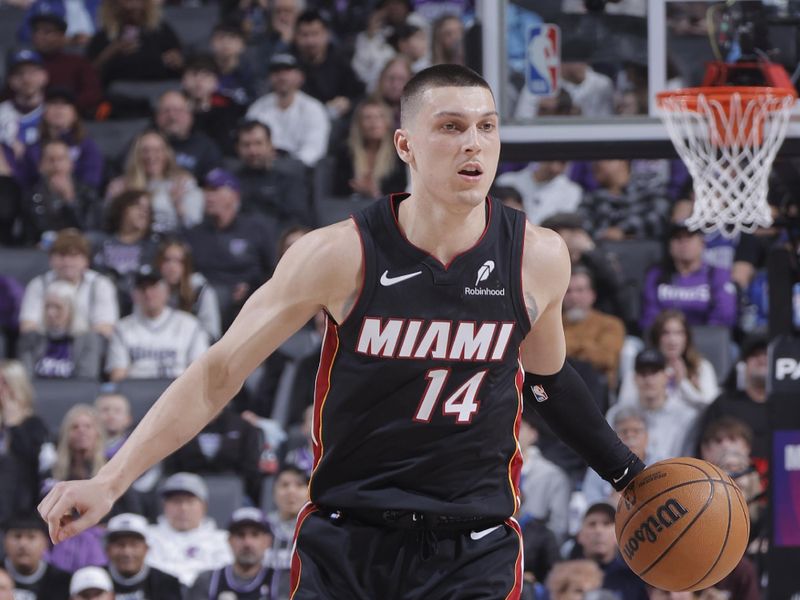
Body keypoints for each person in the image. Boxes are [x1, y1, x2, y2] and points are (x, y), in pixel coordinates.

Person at [39, 65, 645, 600]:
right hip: (349, 541)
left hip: (474, 547)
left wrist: (630, 476)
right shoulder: (339, 253)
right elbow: (218, 373)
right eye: (452, 127)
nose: (474, 144)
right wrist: (110, 479)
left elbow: (547, 382)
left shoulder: (537, 256)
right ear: (404, 144)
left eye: (487, 127)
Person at [183, 169, 275, 325]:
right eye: (205, 190)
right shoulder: (194, 234)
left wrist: (252, 288)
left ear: (234, 195)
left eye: (215, 190)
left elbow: (272, 270)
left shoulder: (256, 229)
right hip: (207, 304)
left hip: (250, 304)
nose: (208, 196)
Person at [105, 266, 209, 381]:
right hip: (136, 392)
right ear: (134, 295)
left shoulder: (189, 325)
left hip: (178, 391)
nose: (148, 294)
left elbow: (199, 373)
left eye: (153, 287)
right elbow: (118, 377)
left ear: (166, 291)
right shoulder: (122, 328)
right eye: (142, 288)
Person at [20, 229, 119, 338]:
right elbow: (27, 326)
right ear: (51, 259)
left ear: (86, 260)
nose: (67, 262)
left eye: (73, 256)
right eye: (61, 256)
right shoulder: (38, 284)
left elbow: (105, 328)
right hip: (46, 345)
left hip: (85, 348)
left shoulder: (101, 284)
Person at [640, 222, 737, 331]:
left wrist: (699, 338)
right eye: (678, 238)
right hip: (666, 339)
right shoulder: (657, 274)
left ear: (702, 243)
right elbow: (650, 314)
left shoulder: (717, 274)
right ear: (670, 246)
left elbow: (724, 314)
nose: (683, 243)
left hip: (708, 339)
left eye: (689, 237)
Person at [698, 334, 770, 479]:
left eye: (767, 355)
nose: (762, 359)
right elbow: (704, 447)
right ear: (744, 363)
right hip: (730, 482)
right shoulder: (723, 404)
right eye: (755, 355)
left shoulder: (790, 407)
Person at [607, 349, 697, 463]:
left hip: (675, 477)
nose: (649, 380)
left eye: (654, 372)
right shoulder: (616, 413)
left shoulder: (686, 416)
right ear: (634, 378)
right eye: (643, 374)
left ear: (666, 376)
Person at [105, 131, 204, 234]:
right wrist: (117, 203)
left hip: (173, 242)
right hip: (137, 243)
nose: (151, 156)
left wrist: (178, 206)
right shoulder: (122, 185)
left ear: (167, 154)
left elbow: (195, 226)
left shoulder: (182, 182)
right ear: (136, 155)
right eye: (145, 151)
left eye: (157, 150)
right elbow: (109, 224)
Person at [618, 309, 719, 410]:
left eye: (678, 333)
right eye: (665, 333)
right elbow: (624, 406)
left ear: (686, 338)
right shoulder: (641, 367)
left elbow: (711, 407)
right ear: (657, 337)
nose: (672, 340)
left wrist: (683, 383)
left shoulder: (701, 366)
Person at [145, 472, 233, 587]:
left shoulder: (223, 540)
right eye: (176, 501)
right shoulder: (147, 537)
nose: (183, 508)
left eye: (190, 501)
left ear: (204, 506)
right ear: (164, 506)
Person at [164, 405, 263, 505]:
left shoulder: (243, 427)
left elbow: (251, 468)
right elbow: (170, 468)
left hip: (234, 493)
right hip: (187, 493)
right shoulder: (179, 427)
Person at [245, 53, 331, 167]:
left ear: (300, 77)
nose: (282, 77)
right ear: (270, 78)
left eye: (287, 71)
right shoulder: (258, 108)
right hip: (264, 168)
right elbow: (248, 141)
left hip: (300, 170)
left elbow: (315, 149)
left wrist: (289, 165)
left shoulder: (313, 108)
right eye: (276, 72)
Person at [91, 189, 161, 315]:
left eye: (147, 208)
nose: (143, 211)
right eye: (137, 205)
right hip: (102, 305)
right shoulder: (98, 243)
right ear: (122, 208)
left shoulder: (155, 247)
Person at [20, 88, 104, 191]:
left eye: (65, 104)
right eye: (53, 103)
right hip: (40, 199)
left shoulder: (87, 145)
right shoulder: (33, 148)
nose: (59, 108)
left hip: (79, 200)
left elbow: (92, 181)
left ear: (74, 113)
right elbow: (25, 182)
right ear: (44, 113)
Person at [17, 280, 104, 379]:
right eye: (47, 307)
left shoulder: (88, 339)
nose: (51, 313)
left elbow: (86, 379)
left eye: (57, 307)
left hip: (74, 393)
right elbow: (26, 378)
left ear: (72, 310)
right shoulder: (31, 337)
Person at [21, 139, 101, 245]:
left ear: (71, 164)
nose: (56, 165)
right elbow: (27, 237)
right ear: (41, 166)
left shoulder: (87, 193)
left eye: (61, 159)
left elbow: (89, 231)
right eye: (50, 160)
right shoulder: (30, 197)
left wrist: (70, 199)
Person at [234, 120, 312, 229]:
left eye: (258, 143)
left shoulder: (289, 181)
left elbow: (297, 222)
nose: (253, 151)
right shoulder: (230, 182)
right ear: (237, 148)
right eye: (246, 145)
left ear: (271, 146)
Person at [87, 0, 183, 88]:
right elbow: (89, 74)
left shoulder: (162, 30)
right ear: (114, 4)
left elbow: (181, 65)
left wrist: (177, 61)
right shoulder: (103, 37)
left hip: (159, 89)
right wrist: (111, 52)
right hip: (118, 94)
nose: (133, 4)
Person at [0, 360, 52, 521]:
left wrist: (12, 425)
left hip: (19, 505)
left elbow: (30, 464)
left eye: (4, 383)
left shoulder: (33, 425)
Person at [293, 9, 365, 120]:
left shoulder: (340, 62)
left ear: (326, 35)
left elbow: (360, 95)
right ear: (296, 37)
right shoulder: (289, 64)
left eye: (315, 34)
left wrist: (348, 103)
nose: (310, 41)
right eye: (305, 35)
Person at [189, 507, 275, 600]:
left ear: (268, 541)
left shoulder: (280, 582)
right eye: (240, 535)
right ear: (229, 541)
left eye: (255, 535)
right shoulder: (208, 581)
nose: (247, 543)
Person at [27, 13, 103, 118]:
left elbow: (93, 94)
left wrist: (64, 107)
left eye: (47, 32)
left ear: (62, 37)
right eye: (36, 31)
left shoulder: (78, 62)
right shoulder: (24, 64)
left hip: (72, 118)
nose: (39, 36)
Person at [562, 266, 626, 389]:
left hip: (595, 389)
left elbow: (606, 358)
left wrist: (568, 346)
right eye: (568, 291)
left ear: (592, 295)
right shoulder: (552, 325)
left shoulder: (610, 324)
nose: (574, 297)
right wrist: (587, 346)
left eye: (580, 290)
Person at [333, 98, 408, 199]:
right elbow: (338, 190)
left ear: (387, 122)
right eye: (368, 118)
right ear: (359, 124)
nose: (374, 123)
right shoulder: (346, 152)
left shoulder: (399, 152)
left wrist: (374, 193)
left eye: (379, 117)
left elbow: (400, 192)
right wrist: (357, 188)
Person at [571, 503, 648, 600]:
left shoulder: (635, 579)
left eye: (606, 523)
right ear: (579, 535)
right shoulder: (564, 579)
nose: (599, 530)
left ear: (618, 534)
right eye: (592, 524)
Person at [517, 410, 570, 544]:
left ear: (533, 434)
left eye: (519, 426)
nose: (513, 432)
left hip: (537, 553)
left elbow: (559, 527)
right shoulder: (494, 471)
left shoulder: (553, 475)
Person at [156, 239, 222, 342]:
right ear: (159, 264)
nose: (172, 267)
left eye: (178, 261)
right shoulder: (150, 290)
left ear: (186, 266)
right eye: (167, 260)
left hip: (193, 350)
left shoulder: (201, 291)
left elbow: (212, 334)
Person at [104, 512, 182, 599]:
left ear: (146, 548)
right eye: (120, 545)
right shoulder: (94, 576)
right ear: (108, 549)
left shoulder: (167, 583)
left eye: (134, 545)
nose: (126, 552)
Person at [582, 406, 650, 506]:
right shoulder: (598, 466)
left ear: (647, 436)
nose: (630, 436)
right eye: (624, 432)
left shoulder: (660, 462)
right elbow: (592, 505)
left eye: (636, 431)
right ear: (614, 437)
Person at [181, 55, 246, 158]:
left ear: (215, 82)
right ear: (183, 81)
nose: (199, 81)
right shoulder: (173, 110)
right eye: (194, 75)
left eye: (206, 75)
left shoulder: (229, 108)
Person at [154, 91, 223, 182]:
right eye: (166, 111)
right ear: (157, 116)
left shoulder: (205, 146)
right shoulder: (143, 143)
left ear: (190, 115)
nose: (172, 116)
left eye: (178, 110)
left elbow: (217, 181)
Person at [265, 465, 309, 599]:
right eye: (284, 485)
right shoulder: (260, 528)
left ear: (309, 492)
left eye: (299, 485)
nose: (291, 491)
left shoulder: (317, 529)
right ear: (274, 492)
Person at [3, 514, 71, 599]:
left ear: (46, 543)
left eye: (31, 537)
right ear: (4, 541)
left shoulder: (62, 582)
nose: (23, 544)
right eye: (17, 536)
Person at [495, 161, 582, 225]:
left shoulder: (572, 191)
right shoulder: (506, 181)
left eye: (562, 162)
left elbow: (561, 225)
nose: (555, 167)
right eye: (552, 159)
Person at [0, 50, 48, 154]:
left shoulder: (54, 112)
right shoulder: (1, 112)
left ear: (44, 76)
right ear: (10, 80)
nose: (26, 79)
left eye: (32, 72)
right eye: (19, 73)